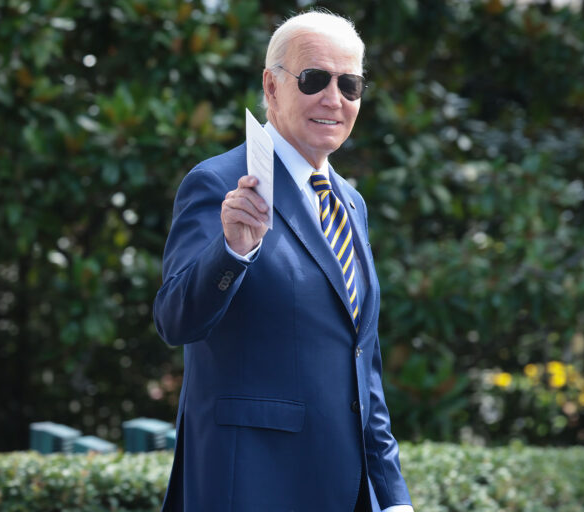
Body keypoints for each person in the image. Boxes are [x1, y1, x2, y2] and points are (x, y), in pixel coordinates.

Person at [154, 10, 413, 512]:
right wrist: (232, 250)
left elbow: (363, 365)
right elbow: (175, 319)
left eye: (351, 84)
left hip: (347, 491)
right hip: (252, 484)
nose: (333, 100)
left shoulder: (350, 203)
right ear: (271, 87)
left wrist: (392, 495)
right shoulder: (218, 182)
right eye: (315, 79)